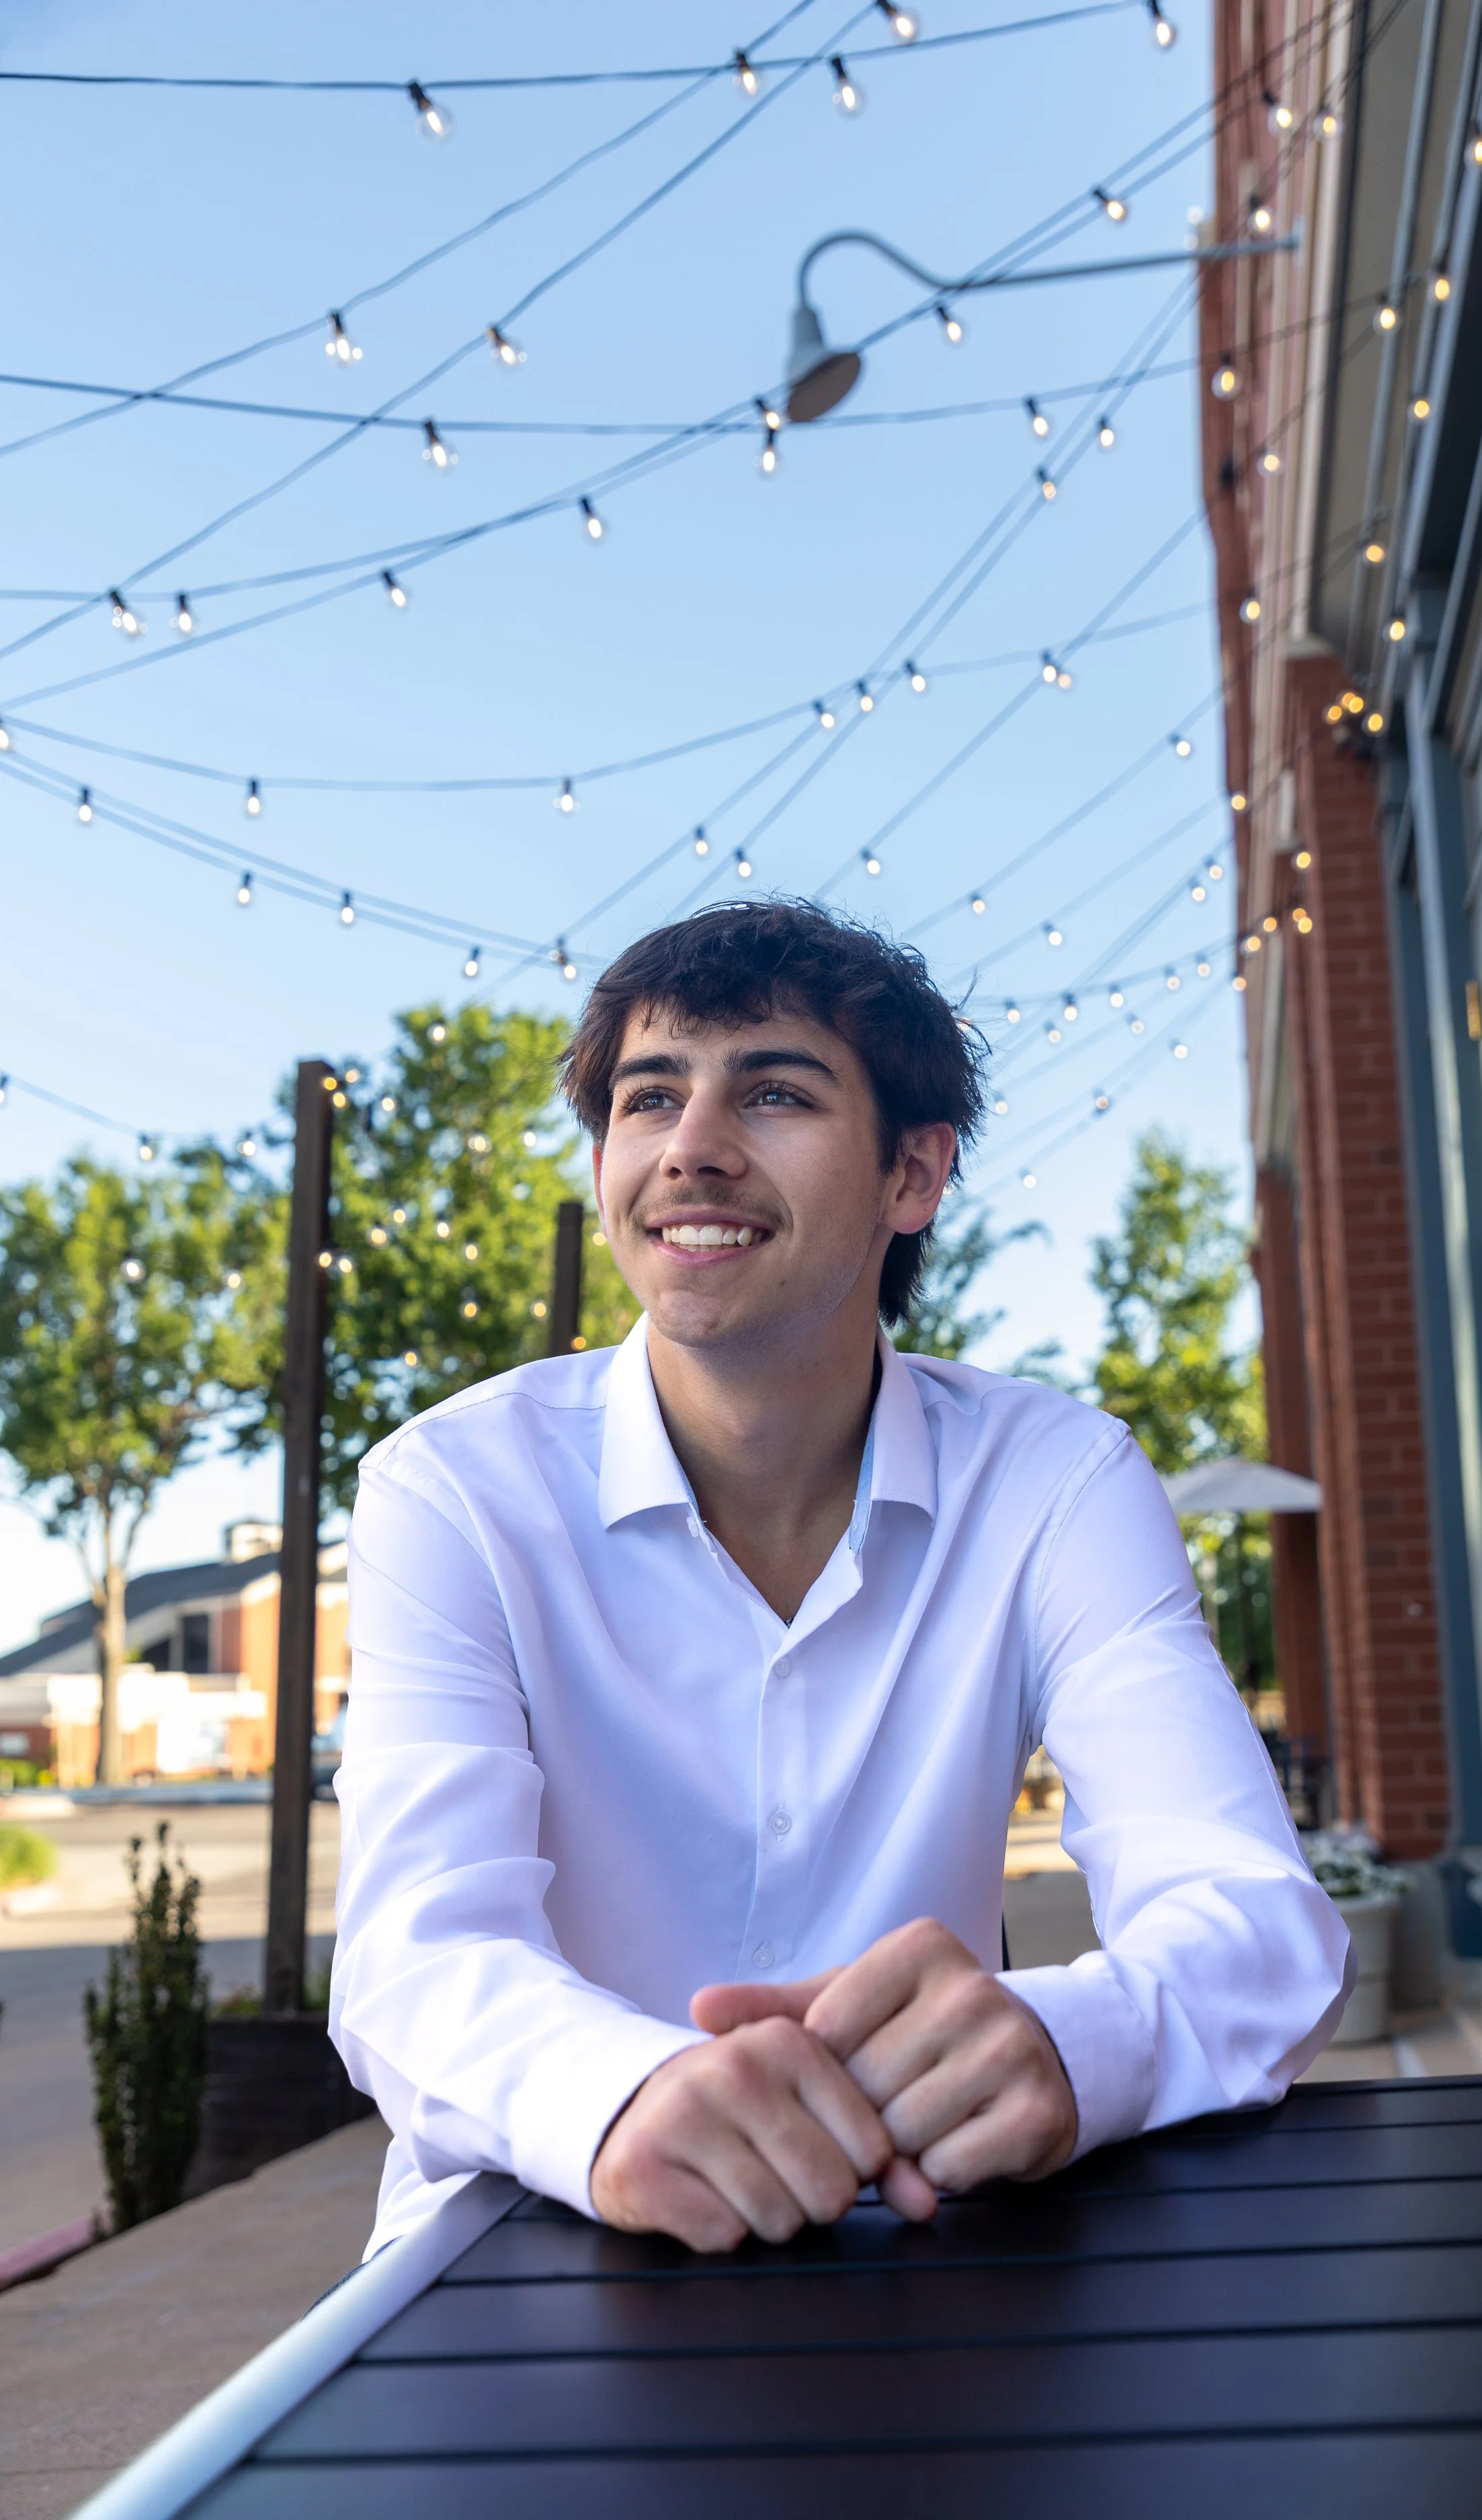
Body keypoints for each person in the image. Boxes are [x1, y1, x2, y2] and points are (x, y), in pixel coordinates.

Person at [332, 900, 1350, 2257]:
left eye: (772, 1092)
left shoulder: (1055, 1481)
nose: (691, 1149)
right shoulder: (451, 1492)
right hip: (538, 2231)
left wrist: (1064, 2040)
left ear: (911, 1177)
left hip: (940, 2248)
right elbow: (411, 1957)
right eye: (649, 1099)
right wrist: (627, 2094)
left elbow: (1253, 1926)